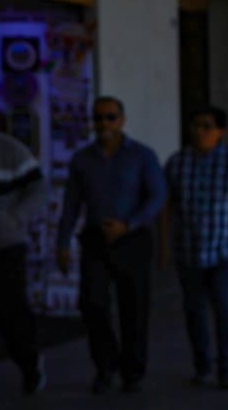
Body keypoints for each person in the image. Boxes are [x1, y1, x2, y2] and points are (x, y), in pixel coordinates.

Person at [57, 96, 167, 393]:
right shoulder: (82, 159)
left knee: (134, 306)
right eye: (98, 118)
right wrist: (63, 242)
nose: (104, 124)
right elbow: (71, 203)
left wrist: (128, 224)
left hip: (132, 238)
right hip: (95, 238)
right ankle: (105, 365)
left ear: (122, 120)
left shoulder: (142, 156)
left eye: (110, 117)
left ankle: (132, 370)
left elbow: (157, 196)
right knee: (92, 302)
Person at [163, 106, 228, 389]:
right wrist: (163, 245)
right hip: (188, 249)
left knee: (223, 308)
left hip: (224, 249)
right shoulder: (177, 162)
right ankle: (202, 366)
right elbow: (167, 206)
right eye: (197, 125)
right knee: (194, 310)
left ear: (220, 132)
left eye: (207, 126)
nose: (201, 131)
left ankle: (227, 368)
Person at [0, 96, 48, 399]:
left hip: (2, 244)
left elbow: (38, 188)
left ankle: (30, 365)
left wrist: (15, 217)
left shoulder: (7, 148)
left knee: (8, 311)